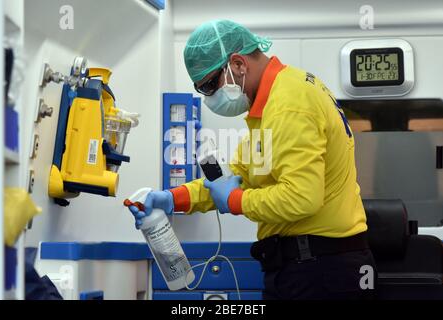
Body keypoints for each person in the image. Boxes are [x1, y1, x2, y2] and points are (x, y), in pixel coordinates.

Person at [128, 19, 377, 300]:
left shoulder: (289, 104)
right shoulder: (273, 103)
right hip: (307, 266)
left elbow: (302, 197)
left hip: (321, 270)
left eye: (210, 85)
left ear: (238, 64)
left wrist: (235, 201)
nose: (210, 98)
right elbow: (236, 174)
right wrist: (174, 199)